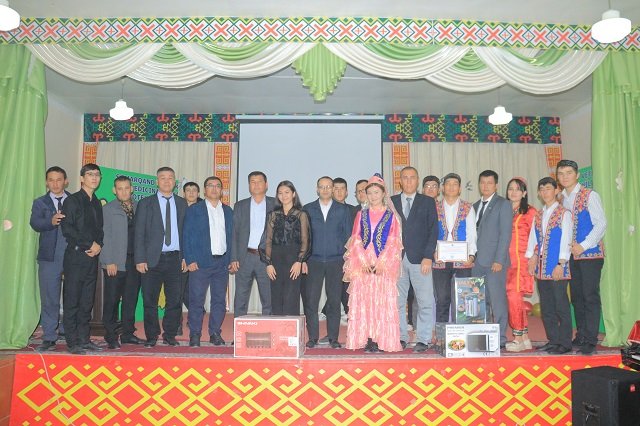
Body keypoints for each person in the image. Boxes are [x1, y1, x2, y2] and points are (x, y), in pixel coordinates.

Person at [343, 174, 403, 352]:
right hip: (362, 265)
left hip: (383, 266)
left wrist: (381, 262)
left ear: (383, 193)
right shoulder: (361, 214)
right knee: (365, 301)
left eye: (376, 192)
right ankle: (368, 338)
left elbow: (393, 242)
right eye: (369, 193)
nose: (373, 196)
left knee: (381, 301)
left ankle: (380, 339)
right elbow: (355, 239)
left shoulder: (391, 216)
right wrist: (363, 261)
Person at [556, 159, 606, 355]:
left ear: (577, 175)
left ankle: (591, 339)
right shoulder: (561, 199)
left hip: (590, 254)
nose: (565, 177)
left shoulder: (589, 195)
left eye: (569, 173)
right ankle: (582, 334)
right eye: (561, 173)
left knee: (589, 296)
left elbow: (601, 224)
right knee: (576, 297)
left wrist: (583, 246)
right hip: (571, 256)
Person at [134, 166, 187, 348]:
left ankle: (170, 335)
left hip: (175, 259)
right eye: (162, 178)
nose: (166, 181)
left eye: (170, 178)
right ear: (157, 181)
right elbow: (139, 233)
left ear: (175, 181)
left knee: (175, 301)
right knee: (150, 301)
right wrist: (140, 259)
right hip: (151, 260)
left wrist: (186, 257)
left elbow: (186, 233)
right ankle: (151, 336)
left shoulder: (182, 203)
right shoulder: (145, 203)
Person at [391, 166, 439, 352]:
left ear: (417, 181)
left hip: (421, 260)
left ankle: (423, 339)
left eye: (412, 177)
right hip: (396, 260)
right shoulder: (391, 202)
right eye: (405, 177)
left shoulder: (427, 202)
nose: (409, 181)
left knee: (425, 301)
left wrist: (428, 256)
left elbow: (433, 230)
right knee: (397, 302)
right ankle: (401, 337)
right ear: (400, 181)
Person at [183, 177, 233, 347]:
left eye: (218, 186)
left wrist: (231, 259)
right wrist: (190, 259)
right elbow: (186, 235)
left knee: (219, 301)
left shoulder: (228, 211)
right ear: (204, 190)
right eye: (210, 186)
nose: (214, 188)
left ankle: (215, 333)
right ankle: (195, 334)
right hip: (200, 263)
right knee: (196, 300)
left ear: (222, 191)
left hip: (222, 263)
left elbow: (231, 237)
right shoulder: (194, 210)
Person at [302, 177, 351, 349]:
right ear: (317, 189)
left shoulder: (343, 210)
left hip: (336, 261)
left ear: (332, 189)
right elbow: (304, 237)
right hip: (313, 261)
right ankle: (313, 337)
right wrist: (303, 259)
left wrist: (347, 261)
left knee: (334, 301)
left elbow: (348, 237)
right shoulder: (308, 209)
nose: (325, 190)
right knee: (311, 301)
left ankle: (333, 338)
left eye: (328, 187)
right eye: (321, 187)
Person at [60, 163, 104, 354]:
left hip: (92, 257)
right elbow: (67, 229)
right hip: (76, 256)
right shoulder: (72, 201)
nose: (94, 177)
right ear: (81, 178)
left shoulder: (96, 202)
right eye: (90, 174)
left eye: (97, 175)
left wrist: (98, 245)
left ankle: (84, 339)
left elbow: (100, 229)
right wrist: (89, 244)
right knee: (72, 300)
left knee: (87, 301)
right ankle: (72, 342)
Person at [526, 177, 573, 355]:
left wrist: (561, 263)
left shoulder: (564, 213)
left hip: (557, 267)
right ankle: (553, 341)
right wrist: (531, 257)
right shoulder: (538, 214)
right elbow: (533, 238)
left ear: (556, 190)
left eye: (548, 188)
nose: (545, 192)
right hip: (541, 268)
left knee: (561, 305)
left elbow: (567, 239)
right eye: (542, 189)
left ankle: (565, 343)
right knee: (546, 307)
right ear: (539, 193)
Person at [30, 166, 70, 352]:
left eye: (59, 179)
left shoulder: (74, 200)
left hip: (72, 255)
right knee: (49, 297)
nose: (55, 184)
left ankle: (68, 330)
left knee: (72, 296)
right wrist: (50, 221)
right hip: (49, 257)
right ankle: (49, 336)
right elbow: (35, 223)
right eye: (51, 180)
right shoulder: (40, 202)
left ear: (66, 181)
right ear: (46, 182)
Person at [100, 176, 143, 349]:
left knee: (130, 299)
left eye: (126, 188)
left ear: (132, 189)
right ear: (114, 190)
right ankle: (111, 335)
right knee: (112, 300)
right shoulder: (108, 209)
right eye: (120, 188)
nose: (124, 192)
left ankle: (128, 334)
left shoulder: (140, 207)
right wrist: (108, 260)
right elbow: (104, 236)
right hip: (115, 262)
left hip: (134, 261)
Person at [472, 170, 513, 347]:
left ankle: (501, 338)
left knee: (498, 302)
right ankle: (485, 336)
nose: (485, 186)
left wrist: (499, 260)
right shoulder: (474, 206)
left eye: (489, 183)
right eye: (482, 182)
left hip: (495, 262)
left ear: (496, 185)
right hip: (476, 262)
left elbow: (505, 234)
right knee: (481, 301)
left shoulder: (503, 204)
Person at [260, 181, 310, 315]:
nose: (284, 196)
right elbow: (267, 240)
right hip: (276, 259)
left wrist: (299, 261)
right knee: (276, 295)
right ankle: (278, 327)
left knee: (291, 296)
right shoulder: (273, 214)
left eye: (287, 192)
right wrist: (268, 263)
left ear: (293, 194)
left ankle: (291, 328)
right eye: (280, 193)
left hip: (293, 258)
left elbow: (305, 240)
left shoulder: (301, 214)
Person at [432, 173, 477, 323]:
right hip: (440, 259)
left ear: (460, 188)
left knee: (464, 297)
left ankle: (463, 332)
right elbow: (430, 233)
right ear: (443, 188)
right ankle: (442, 332)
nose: (451, 187)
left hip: (463, 260)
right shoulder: (434, 207)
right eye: (448, 184)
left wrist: (471, 255)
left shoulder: (468, 207)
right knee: (442, 298)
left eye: (455, 184)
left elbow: (472, 233)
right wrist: (433, 252)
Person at [230, 171, 275, 318]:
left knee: (268, 298)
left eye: (259, 181)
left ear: (266, 185)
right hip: (245, 257)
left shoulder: (275, 204)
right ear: (249, 185)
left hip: (267, 259)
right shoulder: (240, 205)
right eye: (252, 182)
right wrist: (234, 258)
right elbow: (234, 233)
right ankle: (239, 329)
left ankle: (268, 328)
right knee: (240, 297)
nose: (256, 185)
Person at [504, 177, 537, 352]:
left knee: (514, 297)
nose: (513, 192)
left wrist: (534, 257)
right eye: (511, 188)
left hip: (521, 261)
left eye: (518, 189)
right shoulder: (505, 210)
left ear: (524, 193)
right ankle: (524, 338)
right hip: (505, 261)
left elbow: (537, 235)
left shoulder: (530, 212)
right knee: (515, 299)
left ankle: (517, 338)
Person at [178, 181, 203, 336]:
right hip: (179, 257)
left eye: (194, 190)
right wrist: (183, 257)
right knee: (178, 293)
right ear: (184, 193)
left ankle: (195, 320)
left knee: (195, 292)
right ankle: (177, 323)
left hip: (198, 258)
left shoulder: (204, 210)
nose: (191, 193)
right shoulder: (177, 208)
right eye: (188, 190)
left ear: (199, 193)